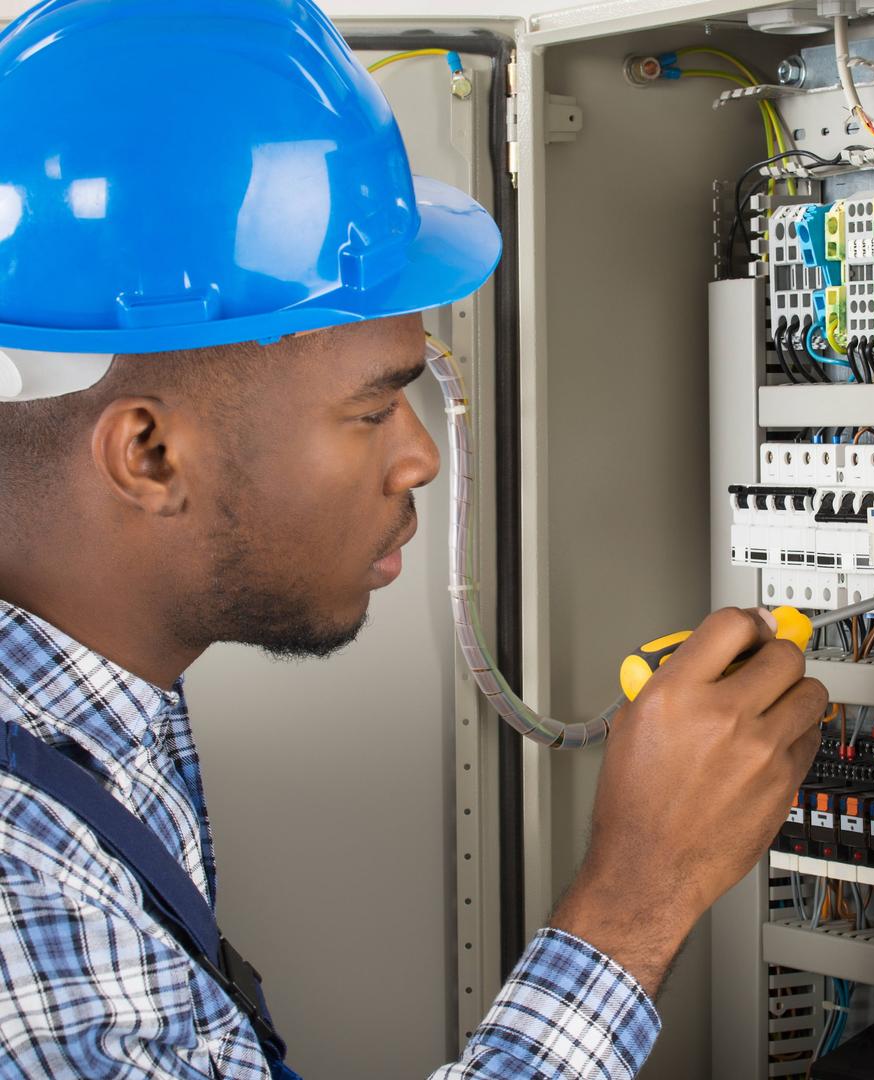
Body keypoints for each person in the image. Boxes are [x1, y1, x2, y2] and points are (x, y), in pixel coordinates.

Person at [0, 0, 827, 1077]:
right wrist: (639, 890)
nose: (420, 456)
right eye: (372, 406)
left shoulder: (89, 705)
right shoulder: (20, 871)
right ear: (149, 454)